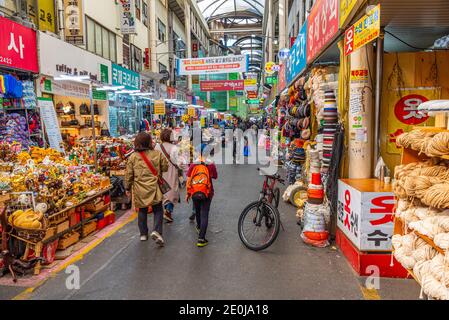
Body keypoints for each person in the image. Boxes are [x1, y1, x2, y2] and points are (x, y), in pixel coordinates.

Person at [125, 132, 169, 245]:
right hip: (154, 186)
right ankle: (157, 231)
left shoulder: (133, 157)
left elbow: (129, 175)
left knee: (142, 210)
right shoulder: (157, 154)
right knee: (158, 209)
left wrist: (127, 188)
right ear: (149, 142)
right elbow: (165, 167)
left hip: (139, 188)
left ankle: (143, 234)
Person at [186, 144, 218, 247]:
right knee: (205, 213)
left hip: (195, 191)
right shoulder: (211, 164)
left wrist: (188, 193)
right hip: (207, 192)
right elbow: (215, 176)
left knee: (198, 210)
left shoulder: (193, 164)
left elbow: (189, 179)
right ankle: (201, 238)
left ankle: (199, 227)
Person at [155, 129, 181, 223]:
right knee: (171, 191)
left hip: (159, 172)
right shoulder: (174, 148)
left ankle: (167, 211)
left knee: (164, 192)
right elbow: (177, 162)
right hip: (171, 171)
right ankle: (168, 211)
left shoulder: (157, 146)